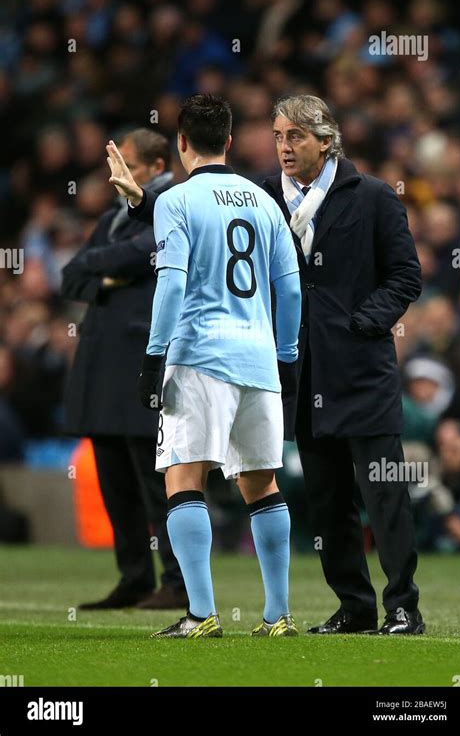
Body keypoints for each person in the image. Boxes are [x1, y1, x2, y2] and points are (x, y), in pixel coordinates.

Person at [138, 94, 302, 639]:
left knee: (185, 477)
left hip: (199, 356)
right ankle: (277, 615)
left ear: (181, 143)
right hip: (258, 359)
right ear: (230, 142)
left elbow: (173, 282)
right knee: (262, 483)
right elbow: (290, 287)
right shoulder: (265, 201)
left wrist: (154, 354)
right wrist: (287, 356)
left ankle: (201, 613)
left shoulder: (176, 201)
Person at [262, 95, 425, 635]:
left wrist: (361, 324)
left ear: (326, 141)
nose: (284, 147)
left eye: (296, 137)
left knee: (385, 495)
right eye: (279, 136)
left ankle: (403, 607)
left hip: (361, 372)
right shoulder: (266, 199)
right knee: (328, 501)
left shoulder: (373, 196)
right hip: (304, 374)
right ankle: (353, 606)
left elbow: (406, 275)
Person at [61, 129, 187, 610]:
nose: (120, 176)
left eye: (129, 166)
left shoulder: (170, 205)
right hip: (101, 361)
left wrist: (102, 269)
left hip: (141, 361)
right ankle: (134, 576)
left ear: (157, 168)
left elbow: (143, 252)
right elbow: (71, 275)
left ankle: (177, 581)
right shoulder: (113, 217)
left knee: (156, 481)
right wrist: (110, 274)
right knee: (116, 481)